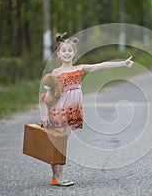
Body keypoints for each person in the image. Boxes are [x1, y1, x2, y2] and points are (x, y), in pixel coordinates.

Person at [41, 32, 134, 186]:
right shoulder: (56, 73)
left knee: (63, 143)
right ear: (58, 54)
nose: (67, 53)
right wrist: (44, 115)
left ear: (74, 53)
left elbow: (101, 65)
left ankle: (58, 176)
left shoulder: (80, 68)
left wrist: (122, 63)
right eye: (63, 51)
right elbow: (48, 95)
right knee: (58, 142)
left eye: (69, 50)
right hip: (58, 109)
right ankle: (58, 176)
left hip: (73, 110)